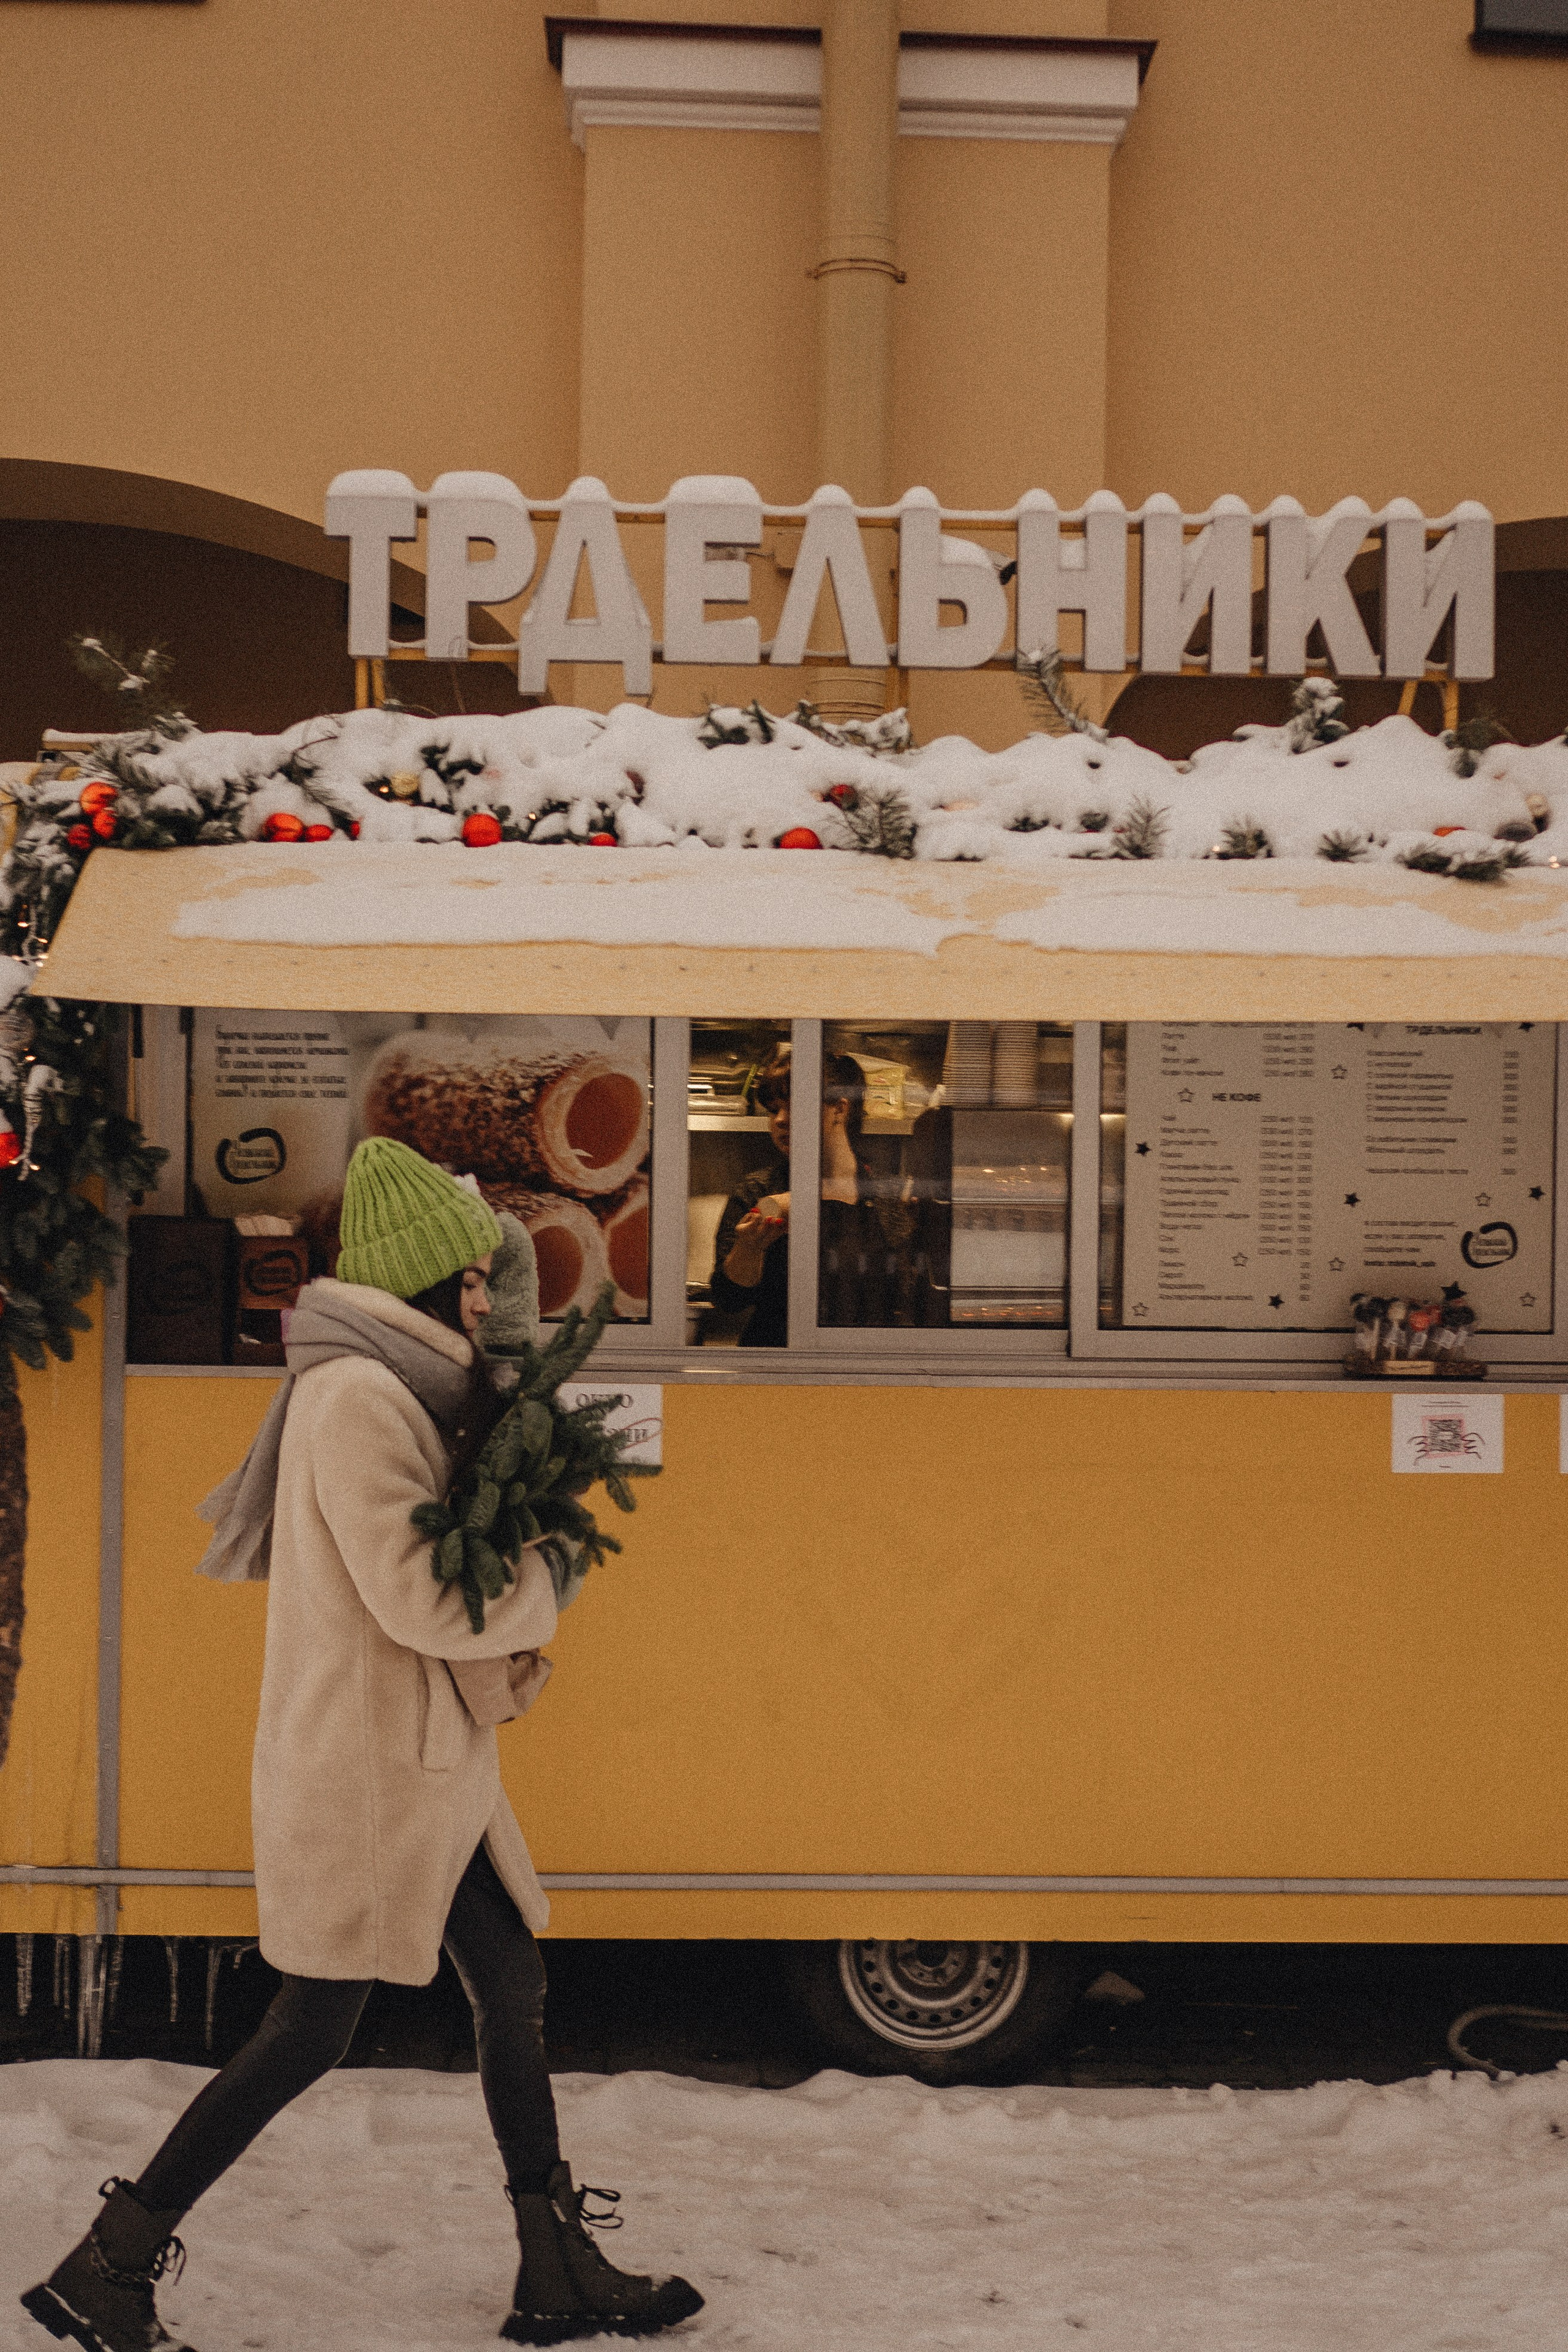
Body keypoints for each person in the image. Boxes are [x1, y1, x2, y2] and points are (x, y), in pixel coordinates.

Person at [22, 1137, 702, 2352]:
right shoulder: (358, 1402)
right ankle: (110, 2261)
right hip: (372, 1773)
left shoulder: (394, 1388)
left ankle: (554, 2266)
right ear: (425, 1281)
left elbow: (431, 1568)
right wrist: (545, 1576)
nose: (485, 1301)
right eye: (470, 1281)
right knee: (310, 2029)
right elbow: (421, 1597)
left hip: (422, 1763)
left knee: (509, 1983)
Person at [707, 1046, 898, 1341]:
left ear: (839, 1109)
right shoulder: (758, 1190)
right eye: (773, 1110)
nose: (780, 1120)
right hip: (778, 1356)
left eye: (794, 1106)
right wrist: (749, 1248)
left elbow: (906, 1297)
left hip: (864, 1358)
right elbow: (728, 1301)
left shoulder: (888, 1197)